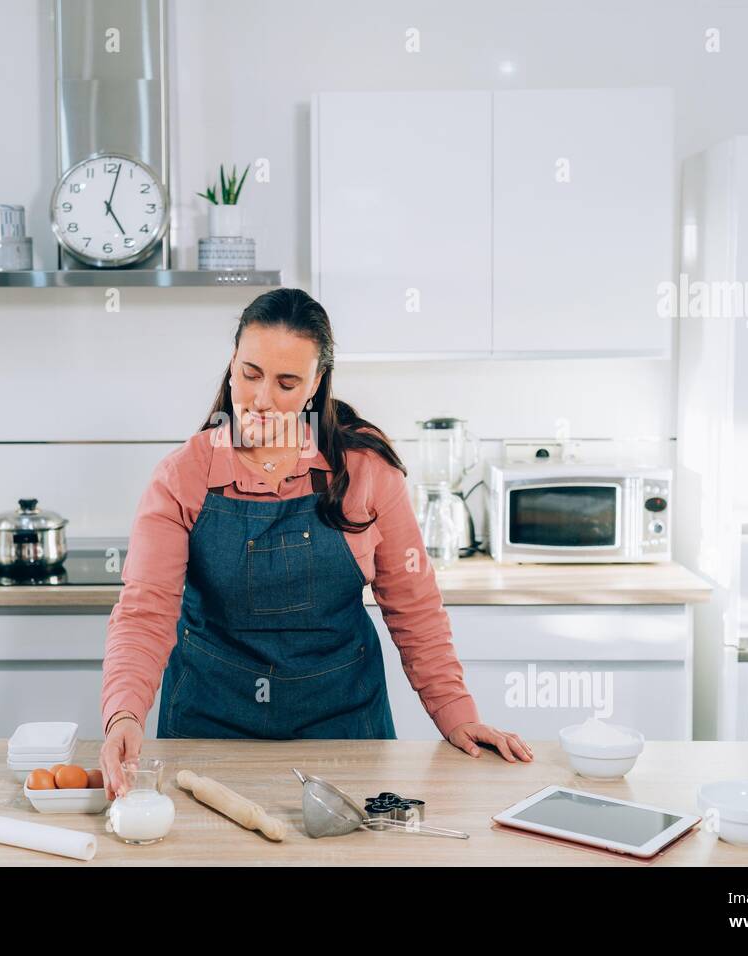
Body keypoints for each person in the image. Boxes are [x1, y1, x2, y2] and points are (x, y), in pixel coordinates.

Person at [99, 288, 533, 797]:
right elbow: (145, 609)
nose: (261, 400)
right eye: (250, 373)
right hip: (211, 726)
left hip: (345, 727)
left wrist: (457, 715)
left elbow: (414, 607)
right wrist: (123, 713)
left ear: (316, 384)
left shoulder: (366, 472)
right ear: (232, 364)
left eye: (287, 383)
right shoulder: (182, 476)